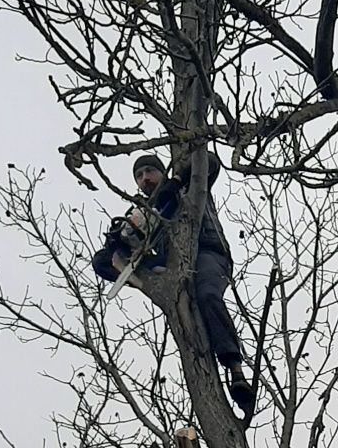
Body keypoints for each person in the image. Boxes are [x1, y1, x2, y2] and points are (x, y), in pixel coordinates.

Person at [92, 149, 254, 416]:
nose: (145, 179)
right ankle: (147, 274)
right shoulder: (144, 211)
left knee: (208, 296)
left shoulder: (189, 186)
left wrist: (177, 180)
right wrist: (120, 239)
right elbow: (104, 259)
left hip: (208, 253)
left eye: (150, 172)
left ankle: (235, 369)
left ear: (162, 172)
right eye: (139, 175)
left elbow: (209, 160)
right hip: (171, 265)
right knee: (104, 259)